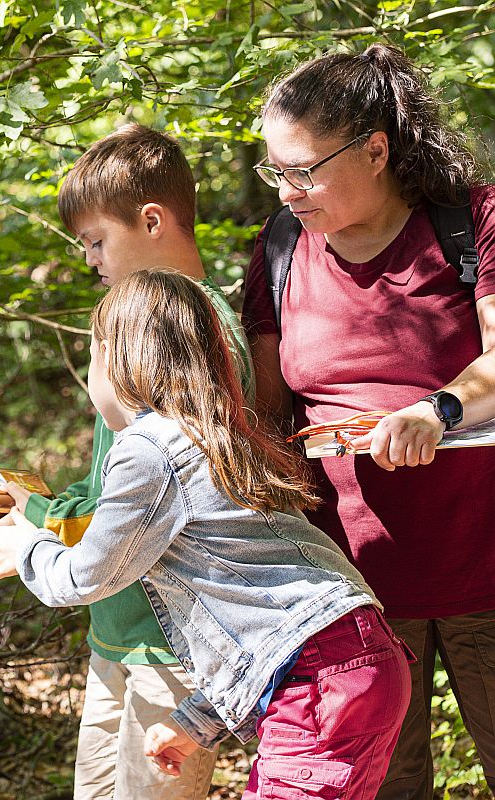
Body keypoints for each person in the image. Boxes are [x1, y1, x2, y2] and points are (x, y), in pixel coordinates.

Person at [0, 269, 411, 800]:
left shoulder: (148, 449)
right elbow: (261, 613)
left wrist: (27, 545)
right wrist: (197, 722)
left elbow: (84, 577)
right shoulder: (224, 435)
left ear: (120, 359)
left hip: (318, 678)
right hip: (361, 655)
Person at [241, 44, 495, 799]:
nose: (287, 191)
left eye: (303, 169)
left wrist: (435, 408)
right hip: (354, 601)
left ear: (376, 149)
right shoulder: (280, 249)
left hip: (486, 572)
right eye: (275, 172)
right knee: (383, 786)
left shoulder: (471, 221)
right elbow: (266, 412)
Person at [1, 123, 255, 800]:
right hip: (118, 631)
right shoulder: (142, 331)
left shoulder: (196, 331)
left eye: (95, 240)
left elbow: (179, 489)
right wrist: (35, 512)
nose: (89, 259)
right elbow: (114, 492)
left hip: (172, 641)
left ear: (151, 221)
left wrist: (38, 542)